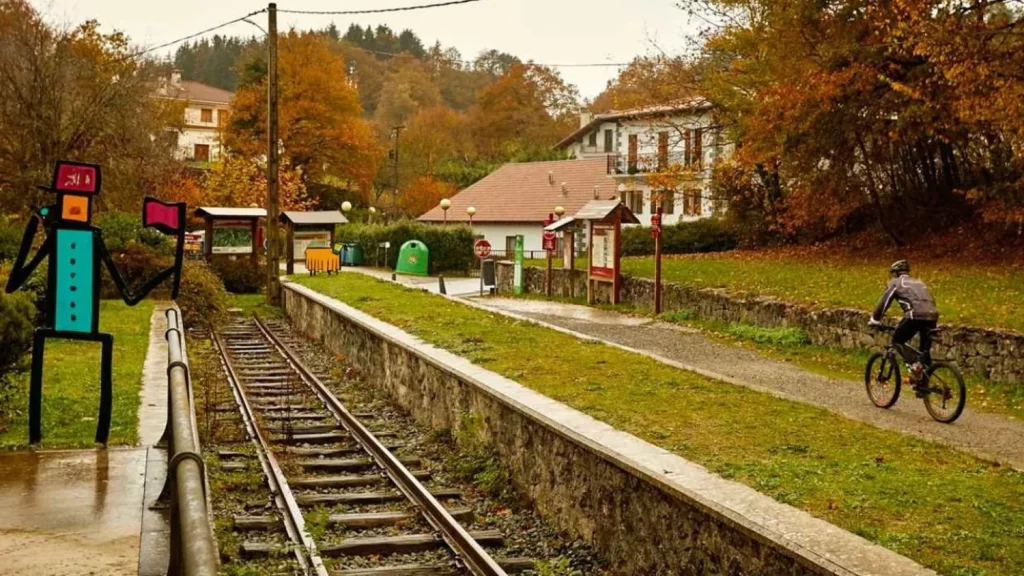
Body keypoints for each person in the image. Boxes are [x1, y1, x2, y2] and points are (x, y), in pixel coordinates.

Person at [868, 260, 939, 390]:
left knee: (897, 341)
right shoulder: (920, 283)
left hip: (914, 315)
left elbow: (884, 301)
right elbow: (930, 300)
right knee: (924, 351)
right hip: (932, 316)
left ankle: (916, 366)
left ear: (895, 273)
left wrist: (875, 319)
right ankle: (924, 384)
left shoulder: (895, 283)